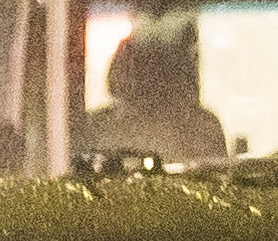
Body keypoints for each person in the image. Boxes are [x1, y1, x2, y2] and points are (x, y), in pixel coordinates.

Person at [82, 31, 230, 165]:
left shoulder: (201, 126)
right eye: (132, 69)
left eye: (144, 69)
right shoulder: (97, 125)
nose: (136, 78)